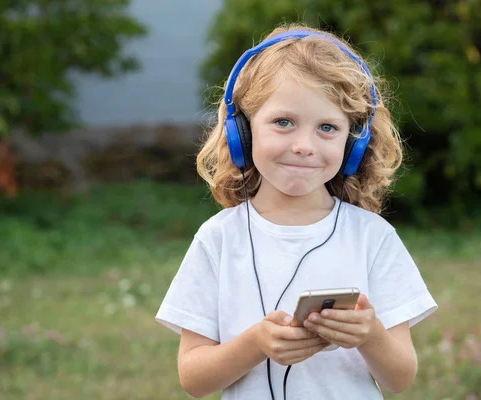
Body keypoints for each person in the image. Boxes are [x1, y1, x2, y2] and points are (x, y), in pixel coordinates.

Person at [155, 23, 437, 400]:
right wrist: (255, 343)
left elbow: (400, 378)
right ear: (243, 131)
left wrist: (370, 336)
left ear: (353, 143)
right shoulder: (218, 239)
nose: (304, 145)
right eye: (283, 122)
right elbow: (193, 379)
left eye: (327, 127)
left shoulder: (373, 238)